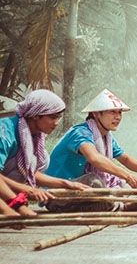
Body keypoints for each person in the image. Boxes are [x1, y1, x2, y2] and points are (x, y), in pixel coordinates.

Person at [46, 89, 137, 212]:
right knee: (93, 181)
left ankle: (111, 204)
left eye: (120, 112)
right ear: (97, 114)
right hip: (56, 195)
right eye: (113, 112)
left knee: (127, 186)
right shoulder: (80, 133)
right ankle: (119, 206)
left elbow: (125, 158)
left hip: (79, 191)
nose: (118, 117)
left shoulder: (106, 137)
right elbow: (95, 158)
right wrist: (128, 176)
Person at [0, 89, 88, 218]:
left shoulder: (34, 137)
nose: (56, 123)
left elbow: (29, 172)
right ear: (36, 115)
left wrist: (66, 184)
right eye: (53, 117)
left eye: (58, 118)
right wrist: (18, 203)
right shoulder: (4, 132)